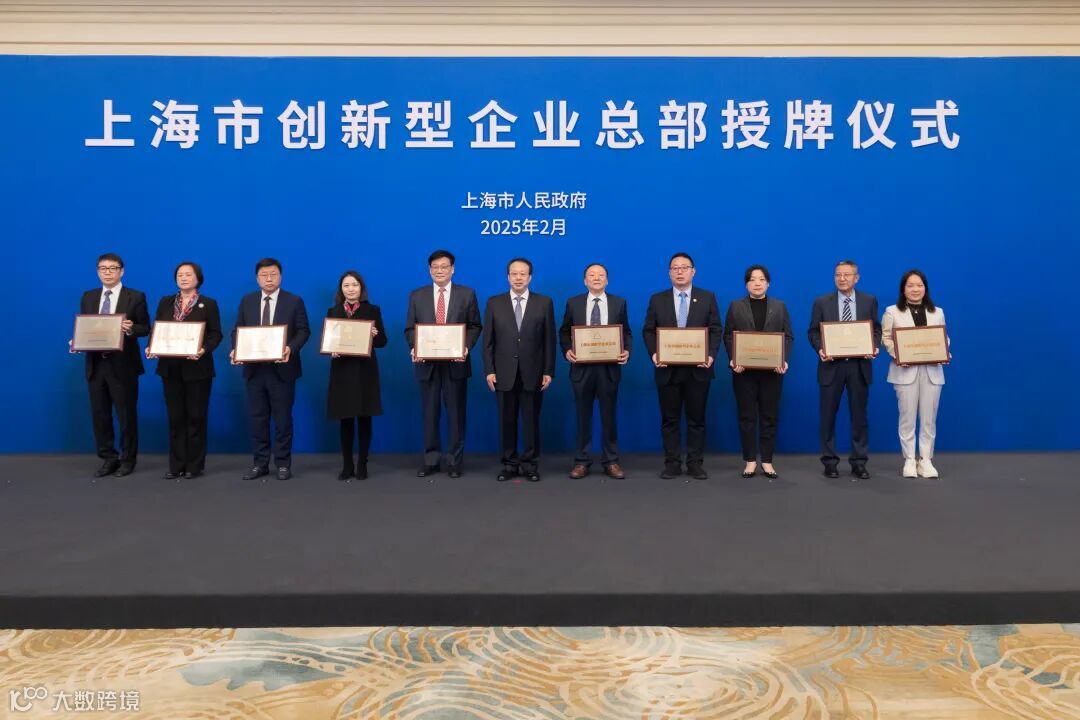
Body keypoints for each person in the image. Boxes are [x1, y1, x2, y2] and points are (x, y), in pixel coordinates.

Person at [642, 252, 723, 480]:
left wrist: (710, 355)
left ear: (693, 271)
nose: (680, 271)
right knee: (670, 420)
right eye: (675, 268)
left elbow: (716, 329)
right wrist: (655, 354)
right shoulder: (657, 299)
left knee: (696, 420)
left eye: (684, 267)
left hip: (699, 370)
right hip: (667, 370)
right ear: (669, 273)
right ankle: (672, 463)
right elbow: (648, 330)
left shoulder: (707, 297)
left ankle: (695, 463)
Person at [404, 250, 482, 479]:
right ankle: (431, 460)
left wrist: (465, 347)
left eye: (444, 266)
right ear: (430, 270)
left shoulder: (467, 294)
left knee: (456, 414)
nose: (440, 270)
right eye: (435, 267)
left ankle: (454, 462)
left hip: (456, 364)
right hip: (427, 363)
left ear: (452, 269)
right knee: (430, 414)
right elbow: (410, 329)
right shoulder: (417, 295)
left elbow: (475, 326)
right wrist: (415, 346)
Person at [231, 258, 310, 482]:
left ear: (280, 276)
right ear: (257, 278)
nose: (269, 278)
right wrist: (236, 350)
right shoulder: (247, 301)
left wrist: (290, 348)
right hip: (254, 370)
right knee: (258, 419)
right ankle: (260, 463)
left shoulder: (294, 301)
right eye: (264, 275)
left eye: (273, 274)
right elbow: (238, 330)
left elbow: (304, 331)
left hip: (282, 370)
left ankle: (283, 464)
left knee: (283, 420)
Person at [76, 253, 150, 478]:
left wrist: (131, 328)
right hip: (96, 364)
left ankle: (128, 460)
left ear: (121, 271)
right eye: (103, 268)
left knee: (126, 415)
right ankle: (108, 458)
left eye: (112, 268)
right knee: (100, 415)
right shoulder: (88, 296)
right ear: (97, 271)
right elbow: (85, 327)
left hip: (123, 365)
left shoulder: (135, 296)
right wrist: (77, 341)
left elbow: (145, 328)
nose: (107, 272)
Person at [482, 257, 556, 482]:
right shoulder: (494, 303)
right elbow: (488, 342)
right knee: (506, 421)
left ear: (530, 277)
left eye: (523, 274)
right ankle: (509, 463)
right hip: (503, 372)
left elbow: (549, 341)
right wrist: (489, 370)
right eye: (514, 274)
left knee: (531, 421)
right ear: (508, 277)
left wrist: (548, 371)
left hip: (533, 372)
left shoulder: (544, 303)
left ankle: (530, 464)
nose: (518, 278)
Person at [808, 259, 881, 480]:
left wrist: (874, 346)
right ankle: (830, 462)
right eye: (838, 275)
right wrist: (821, 349)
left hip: (859, 367)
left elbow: (876, 330)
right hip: (831, 366)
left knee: (859, 417)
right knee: (827, 417)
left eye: (847, 275)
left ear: (856, 278)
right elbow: (813, 332)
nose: (842, 278)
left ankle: (859, 462)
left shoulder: (869, 301)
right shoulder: (822, 302)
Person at [148, 262, 222, 481]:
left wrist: (203, 349)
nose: (183, 278)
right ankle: (176, 464)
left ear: (198, 278)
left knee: (196, 417)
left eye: (188, 274)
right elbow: (157, 329)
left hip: (198, 369)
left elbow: (216, 334)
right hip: (170, 369)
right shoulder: (166, 302)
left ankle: (194, 465)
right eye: (180, 274)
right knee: (175, 417)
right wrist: (152, 346)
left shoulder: (208, 304)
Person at [558, 263, 631, 480]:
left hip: (609, 369)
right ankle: (581, 461)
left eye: (601, 275)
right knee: (583, 417)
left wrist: (626, 350)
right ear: (585, 281)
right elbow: (564, 331)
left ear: (607, 280)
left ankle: (611, 461)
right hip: (582, 369)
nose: (596, 278)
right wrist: (567, 350)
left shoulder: (619, 302)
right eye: (592, 275)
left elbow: (626, 332)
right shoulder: (574, 303)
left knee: (609, 417)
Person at [722, 264, 794, 479]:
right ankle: (750, 460)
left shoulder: (779, 306)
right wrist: (734, 358)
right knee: (746, 417)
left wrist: (783, 359)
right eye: (752, 279)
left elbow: (788, 336)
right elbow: (728, 335)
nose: (757, 283)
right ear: (746, 284)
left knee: (769, 416)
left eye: (761, 279)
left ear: (768, 283)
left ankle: (768, 461)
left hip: (772, 372)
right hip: (744, 372)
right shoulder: (736, 306)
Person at [882, 269, 948, 479]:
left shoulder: (937, 312)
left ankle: (926, 460)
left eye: (919, 285)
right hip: (905, 371)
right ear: (903, 289)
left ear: (925, 288)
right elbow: (886, 338)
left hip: (932, 372)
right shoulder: (892, 311)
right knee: (907, 417)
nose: (915, 289)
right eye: (910, 285)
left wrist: (944, 350)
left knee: (929, 419)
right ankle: (909, 459)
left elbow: (943, 337)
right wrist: (899, 355)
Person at [327, 271, 386, 481]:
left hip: (365, 371)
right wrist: (331, 348)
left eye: (354, 285)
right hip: (342, 371)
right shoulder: (333, 311)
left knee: (364, 418)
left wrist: (375, 335)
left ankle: (362, 463)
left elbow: (383, 342)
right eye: (346, 285)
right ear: (341, 289)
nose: (351, 289)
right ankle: (347, 465)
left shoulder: (372, 310)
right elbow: (329, 340)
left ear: (361, 288)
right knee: (345, 419)